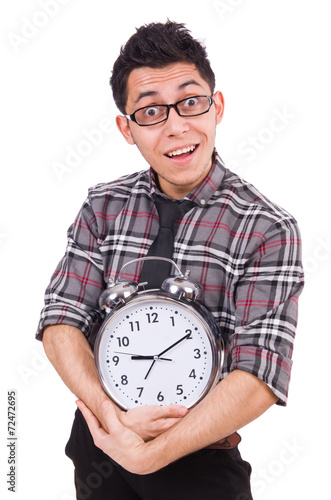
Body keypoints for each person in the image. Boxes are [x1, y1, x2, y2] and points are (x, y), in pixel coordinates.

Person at [36, 21, 304, 500]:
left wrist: (147, 455)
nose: (177, 126)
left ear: (216, 106)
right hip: (99, 445)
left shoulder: (267, 228)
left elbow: (259, 375)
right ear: (126, 128)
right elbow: (61, 321)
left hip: (198, 463)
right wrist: (111, 418)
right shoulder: (103, 207)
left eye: (191, 101)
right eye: (152, 111)